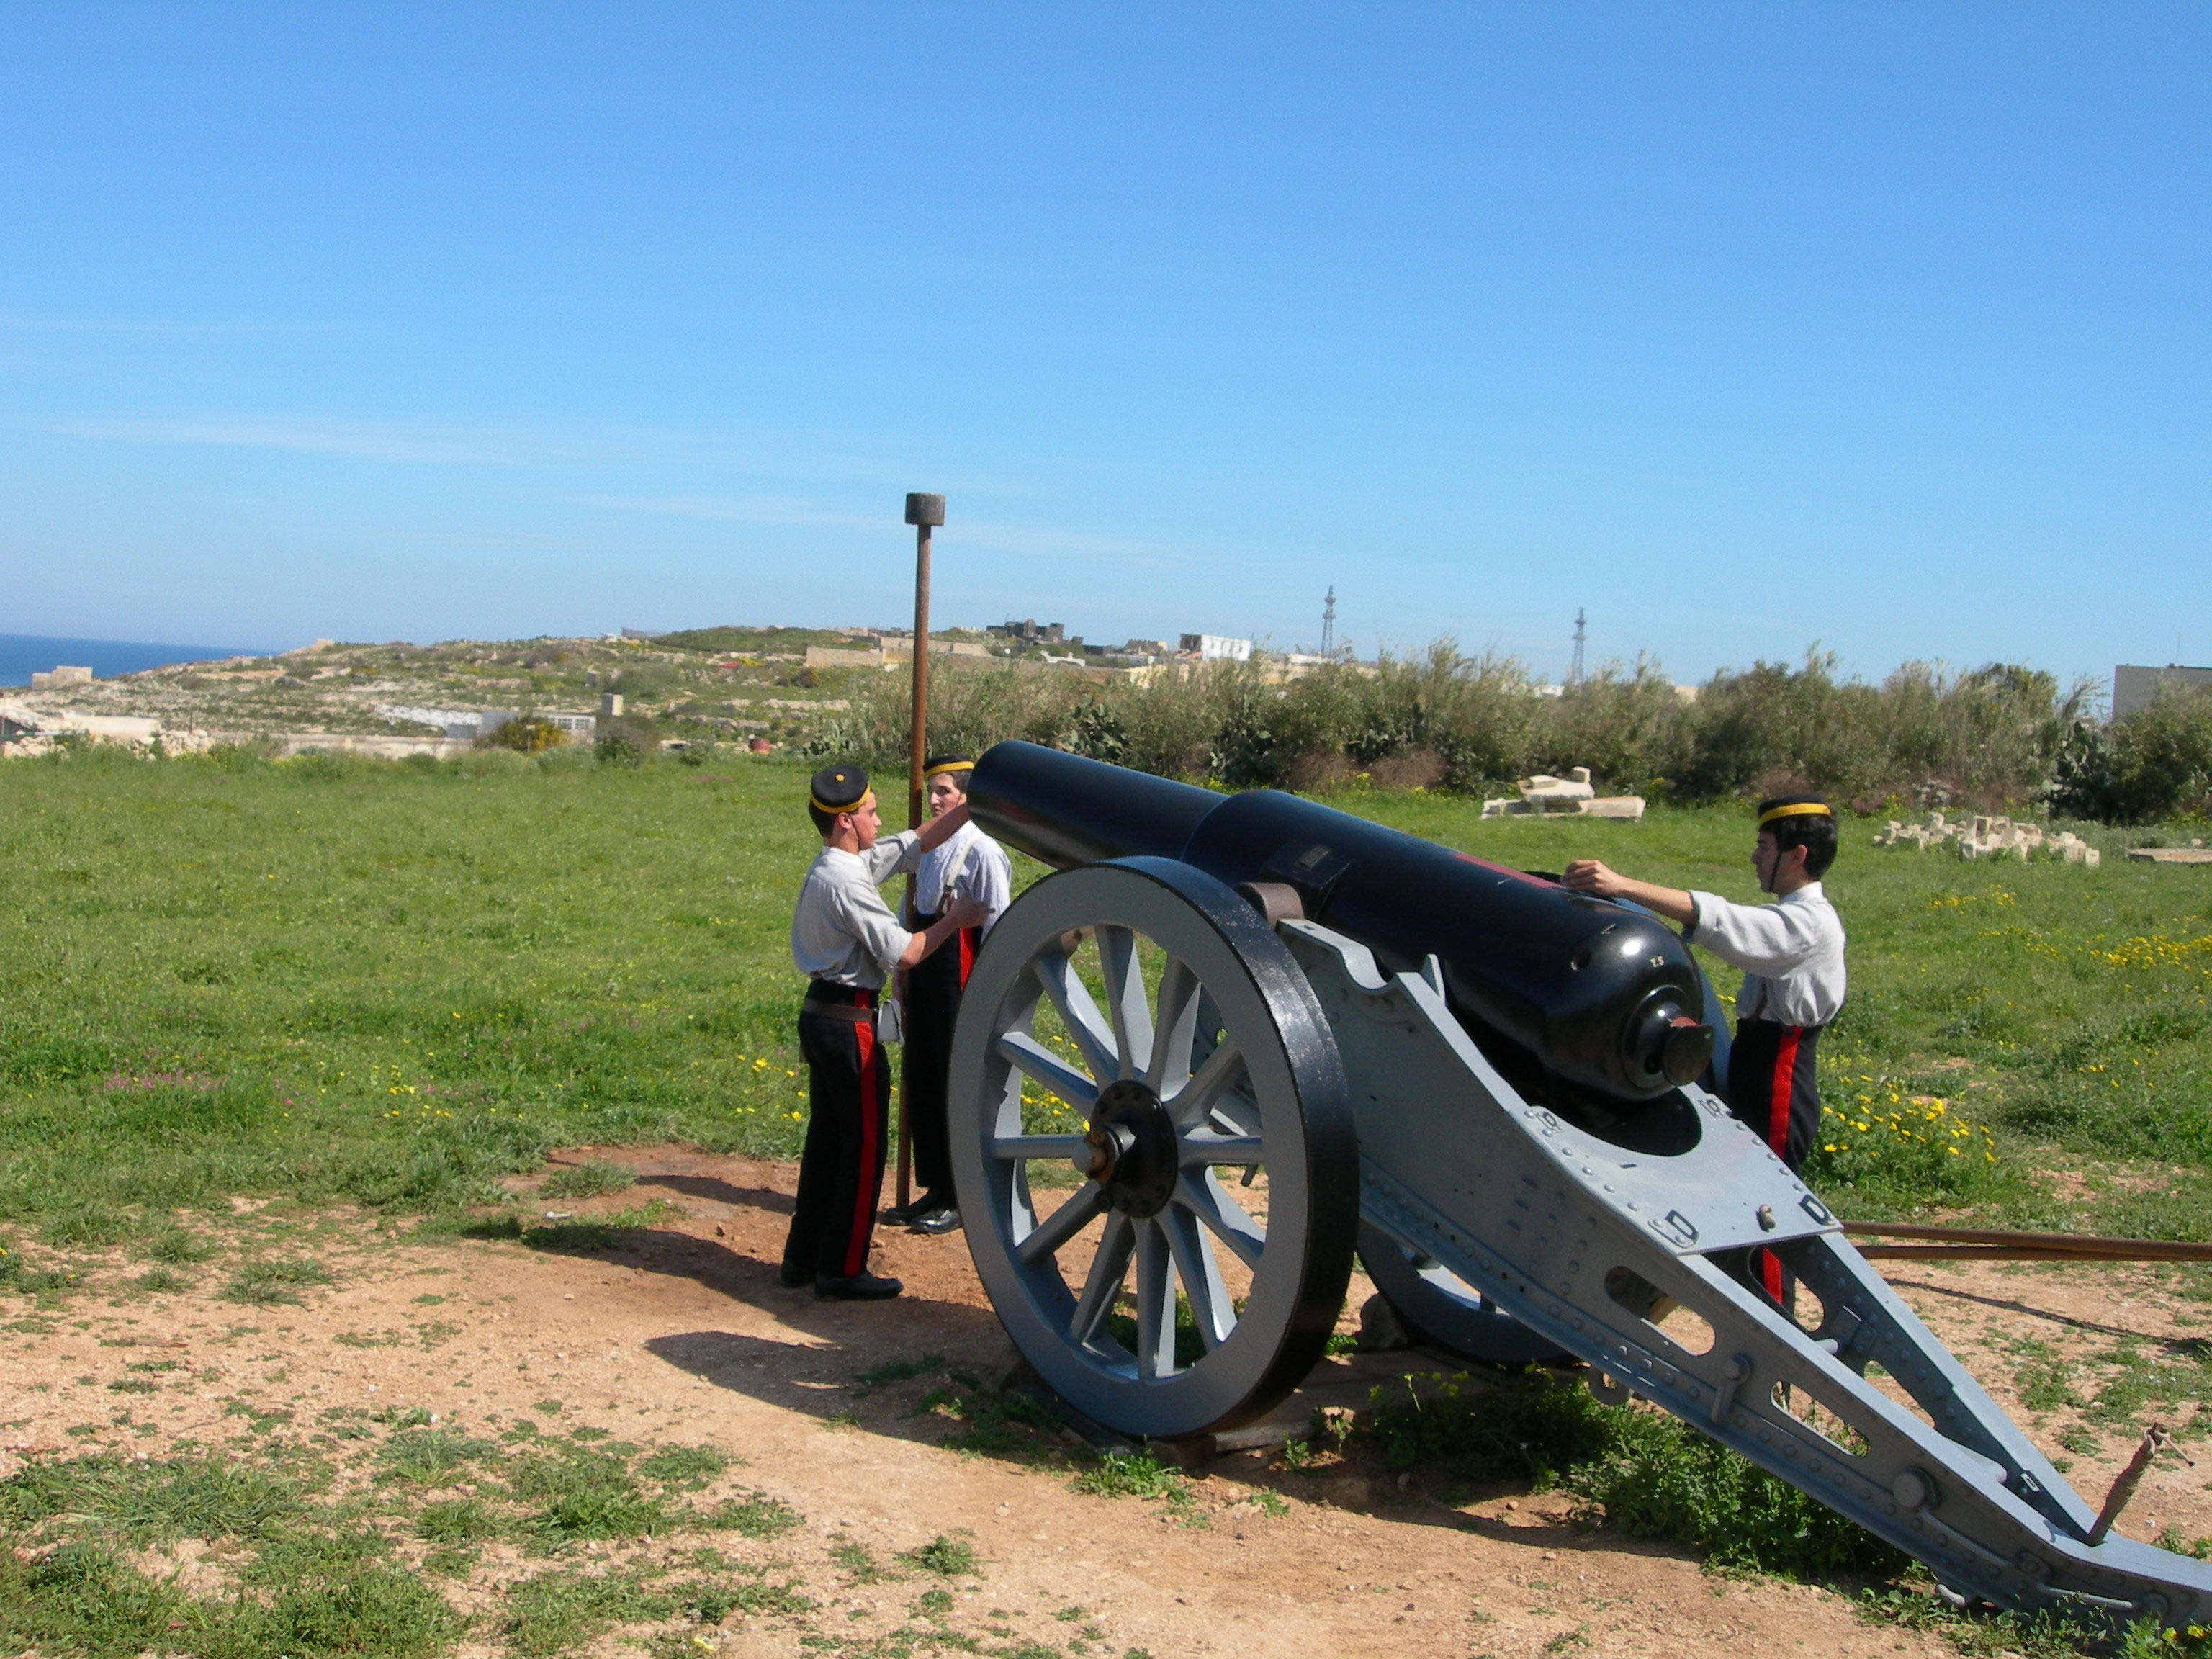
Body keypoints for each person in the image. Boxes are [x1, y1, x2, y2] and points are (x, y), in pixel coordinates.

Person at [783, 763, 986, 1301]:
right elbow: (908, 951)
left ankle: (802, 1257)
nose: (880, 819)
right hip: (848, 1021)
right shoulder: (847, 880)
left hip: (825, 1014)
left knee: (827, 1140)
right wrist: (955, 918)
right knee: (865, 1145)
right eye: (871, 812)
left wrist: (980, 800)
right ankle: (843, 1268)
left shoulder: (835, 865)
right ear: (847, 821)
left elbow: (918, 841)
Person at [1560, 794, 1845, 1174]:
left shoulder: (1810, 925)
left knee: (1764, 1186)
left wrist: (1623, 886)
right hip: (1756, 1066)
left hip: (1777, 1085)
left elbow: (1727, 922)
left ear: (1797, 856)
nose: (1754, 858)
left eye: (1763, 847)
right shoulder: (1797, 915)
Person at [888, 753, 1014, 1236]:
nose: (936, 800)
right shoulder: (925, 849)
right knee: (922, 1082)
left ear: (965, 796)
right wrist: (900, 972)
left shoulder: (981, 851)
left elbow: (997, 924)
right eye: (932, 791)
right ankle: (935, 1185)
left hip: (960, 983)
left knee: (954, 1086)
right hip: (923, 975)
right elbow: (910, 912)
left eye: (944, 791)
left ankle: (960, 1196)